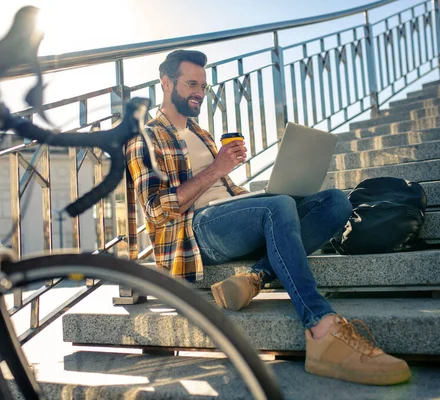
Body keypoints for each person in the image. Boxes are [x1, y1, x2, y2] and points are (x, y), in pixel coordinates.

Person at [126, 49, 411, 386]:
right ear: (166, 82)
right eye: (192, 84)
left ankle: (256, 277)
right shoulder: (143, 139)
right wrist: (218, 168)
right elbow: (157, 212)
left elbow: (223, 189)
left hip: (225, 218)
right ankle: (322, 328)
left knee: (335, 202)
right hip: (193, 233)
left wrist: (258, 189)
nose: (199, 93)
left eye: (203, 86)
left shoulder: (201, 134)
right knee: (276, 207)